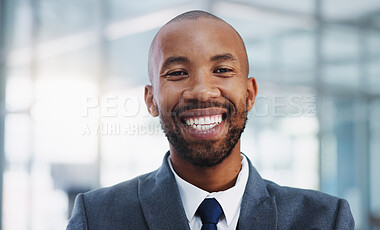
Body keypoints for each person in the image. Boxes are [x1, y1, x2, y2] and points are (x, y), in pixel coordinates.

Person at [67, 10, 354, 230]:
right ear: (151, 100)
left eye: (222, 69)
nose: (203, 91)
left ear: (250, 94)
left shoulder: (324, 219)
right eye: (178, 73)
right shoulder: (97, 216)